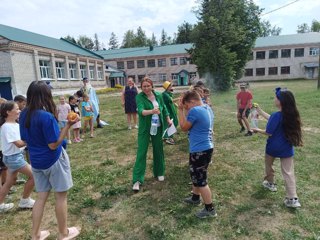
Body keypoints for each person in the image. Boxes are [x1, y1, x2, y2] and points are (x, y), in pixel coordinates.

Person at [19, 81, 80, 240]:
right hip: (53, 160)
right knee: (60, 196)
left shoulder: (24, 113)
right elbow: (53, 144)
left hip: (36, 162)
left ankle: (35, 235)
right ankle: (63, 233)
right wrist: (68, 125)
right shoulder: (46, 117)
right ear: (46, 95)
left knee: (41, 198)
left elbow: (24, 139)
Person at [252, 87, 303, 208]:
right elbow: (272, 118)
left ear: (280, 101)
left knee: (269, 166)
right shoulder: (291, 115)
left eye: (276, 97)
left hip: (273, 148)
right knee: (288, 172)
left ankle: (271, 184)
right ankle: (292, 199)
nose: (274, 99)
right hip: (286, 148)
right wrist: (260, 110)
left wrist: (257, 129)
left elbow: (269, 132)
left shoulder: (277, 115)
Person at [178, 90, 216, 218]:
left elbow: (183, 127)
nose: (187, 109)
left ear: (192, 101)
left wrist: (180, 110)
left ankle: (210, 209)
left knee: (201, 180)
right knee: (196, 175)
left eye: (187, 106)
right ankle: (195, 197)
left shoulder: (195, 111)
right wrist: (185, 108)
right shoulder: (207, 108)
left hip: (199, 150)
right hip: (206, 148)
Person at [132, 77, 172, 192]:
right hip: (145, 128)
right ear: (141, 87)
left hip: (157, 127)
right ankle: (137, 180)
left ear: (152, 86)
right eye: (144, 86)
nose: (146, 88)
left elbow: (164, 109)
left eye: (148, 86)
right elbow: (141, 111)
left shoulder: (159, 95)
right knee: (141, 152)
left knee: (158, 150)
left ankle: (159, 172)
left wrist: (168, 119)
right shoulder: (139, 97)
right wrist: (152, 111)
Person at [0, 101, 35, 213]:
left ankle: (0, 204)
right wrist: (32, 139)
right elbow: (19, 143)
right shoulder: (7, 127)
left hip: (14, 157)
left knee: (9, 182)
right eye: (16, 109)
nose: (19, 110)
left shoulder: (15, 124)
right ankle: (25, 200)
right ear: (8, 112)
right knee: (35, 175)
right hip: (13, 158)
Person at [162, 80, 178, 145]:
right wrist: (180, 98)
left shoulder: (169, 93)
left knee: (175, 122)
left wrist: (177, 106)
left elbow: (172, 102)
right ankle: (167, 137)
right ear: (167, 87)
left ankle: (170, 136)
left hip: (172, 110)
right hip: (168, 111)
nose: (172, 87)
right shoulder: (165, 94)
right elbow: (171, 100)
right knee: (170, 124)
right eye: (170, 86)